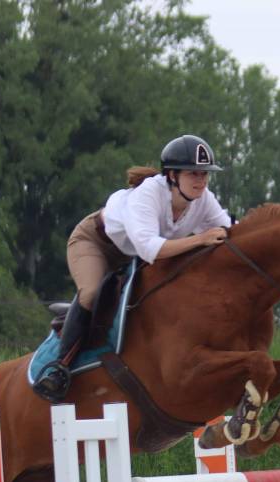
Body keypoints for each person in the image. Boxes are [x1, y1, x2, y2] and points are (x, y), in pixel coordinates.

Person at [32, 134, 232, 402]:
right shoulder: (149, 193)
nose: (201, 180)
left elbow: (230, 231)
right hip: (97, 243)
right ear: (172, 175)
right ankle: (58, 368)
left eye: (205, 174)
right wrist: (200, 239)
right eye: (193, 173)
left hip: (133, 256)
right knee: (92, 294)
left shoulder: (204, 199)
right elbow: (151, 250)